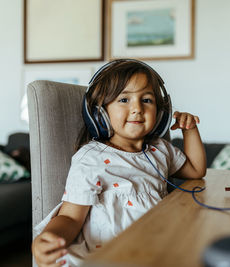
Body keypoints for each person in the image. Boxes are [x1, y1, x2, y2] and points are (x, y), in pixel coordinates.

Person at [31, 59, 207, 267]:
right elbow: (71, 218)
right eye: (124, 100)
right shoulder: (90, 158)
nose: (137, 109)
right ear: (100, 112)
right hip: (109, 253)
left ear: (160, 114)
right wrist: (49, 238)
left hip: (158, 245)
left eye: (147, 100)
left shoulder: (160, 150)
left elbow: (196, 170)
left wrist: (190, 130)